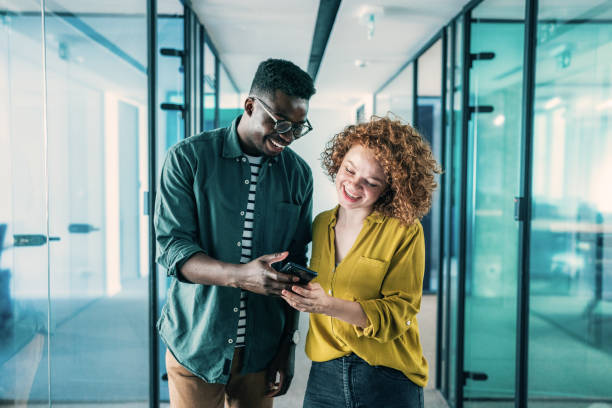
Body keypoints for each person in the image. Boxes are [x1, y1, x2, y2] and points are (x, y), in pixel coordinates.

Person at [155, 58, 316, 408]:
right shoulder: (188, 159)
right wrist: (242, 276)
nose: (287, 137)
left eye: (298, 128)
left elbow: (296, 264)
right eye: (281, 123)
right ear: (249, 106)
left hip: (261, 349)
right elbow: (172, 249)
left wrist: (287, 345)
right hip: (196, 344)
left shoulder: (299, 175)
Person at [281, 116, 441, 407]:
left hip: (386, 374)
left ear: (390, 188)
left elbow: (399, 312)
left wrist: (327, 305)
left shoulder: (404, 229)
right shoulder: (320, 223)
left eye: (371, 182)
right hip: (324, 372)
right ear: (338, 160)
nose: (353, 185)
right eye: (349, 170)